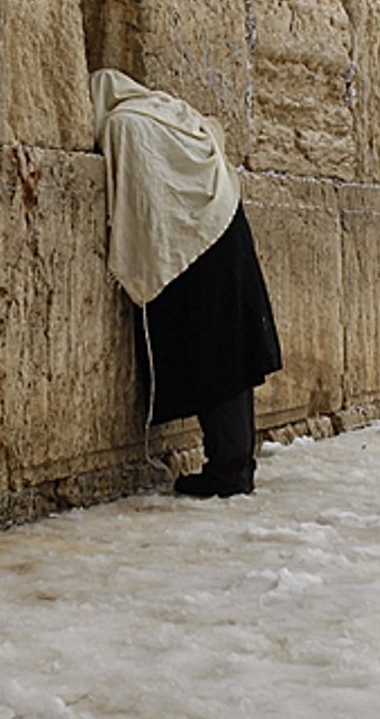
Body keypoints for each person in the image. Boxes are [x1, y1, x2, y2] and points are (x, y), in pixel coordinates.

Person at [91, 69, 282, 498]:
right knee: (232, 359)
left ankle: (230, 471)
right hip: (226, 230)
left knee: (218, 361)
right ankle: (234, 464)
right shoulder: (170, 113)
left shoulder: (125, 124)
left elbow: (142, 199)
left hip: (195, 247)